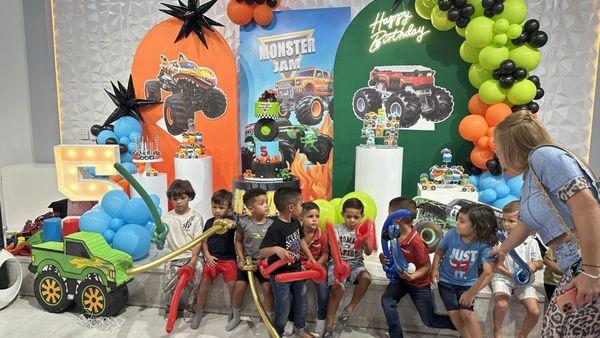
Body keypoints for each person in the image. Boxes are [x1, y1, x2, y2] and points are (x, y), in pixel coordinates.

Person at [489, 110, 600, 336]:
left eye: (498, 145)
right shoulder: (532, 172)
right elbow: (526, 223)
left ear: (511, 146)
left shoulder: (544, 157)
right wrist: (504, 249)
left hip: (587, 260)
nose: (496, 153)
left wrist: (592, 272)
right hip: (576, 261)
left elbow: (587, 206)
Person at [380, 197, 456, 338]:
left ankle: (461, 326)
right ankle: (396, 335)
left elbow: (427, 266)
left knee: (429, 320)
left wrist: (413, 276)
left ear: (398, 218)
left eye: (389, 214)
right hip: (401, 279)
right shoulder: (393, 233)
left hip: (419, 284)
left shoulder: (416, 242)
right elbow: (391, 253)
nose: (387, 217)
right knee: (387, 301)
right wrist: (383, 258)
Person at [431, 203, 497, 338]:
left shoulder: (483, 244)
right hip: (446, 282)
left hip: (467, 285)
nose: (457, 223)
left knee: (466, 313)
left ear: (477, 226)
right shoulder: (451, 235)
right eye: (457, 219)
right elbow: (440, 250)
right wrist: (434, 268)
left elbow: (488, 272)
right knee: (455, 314)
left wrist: (471, 292)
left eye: (462, 221)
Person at [259, 187, 316, 338]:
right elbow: (262, 251)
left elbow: (301, 241)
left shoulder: (296, 222)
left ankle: (300, 329)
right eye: (300, 204)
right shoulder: (275, 227)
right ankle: (277, 332)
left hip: (296, 271)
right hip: (280, 276)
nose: (302, 207)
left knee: (301, 303)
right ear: (291, 207)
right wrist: (276, 249)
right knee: (283, 308)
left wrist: (310, 257)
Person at [322, 198, 373, 338]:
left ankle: (349, 309)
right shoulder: (337, 229)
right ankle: (328, 326)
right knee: (338, 288)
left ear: (362, 216)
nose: (352, 220)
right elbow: (332, 249)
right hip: (338, 264)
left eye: (356, 217)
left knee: (366, 278)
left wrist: (365, 240)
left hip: (356, 264)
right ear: (342, 214)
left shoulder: (364, 231)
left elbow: (368, 252)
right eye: (348, 216)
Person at [491, 201, 543, 338]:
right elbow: (496, 264)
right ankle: (497, 332)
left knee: (535, 311)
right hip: (503, 278)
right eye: (504, 220)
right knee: (501, 304)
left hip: (525, 283)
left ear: (522, 221)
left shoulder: (531, 241)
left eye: (511, 221)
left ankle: (523, 335)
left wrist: (534, 265)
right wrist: (511, 275)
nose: (506, 224)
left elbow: (540, 263)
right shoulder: (498, 240)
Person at [226, 188, 274, 331]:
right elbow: (239, 242)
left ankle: (270, 317)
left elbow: (274, 246)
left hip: (264, 264)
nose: (266, 205)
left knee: (267, 288)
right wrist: (240, 259)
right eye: (262, 203)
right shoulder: (243, 223)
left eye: (266, 202)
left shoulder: (271, 224)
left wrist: (268, 261)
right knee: (239, 287)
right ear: (251, 208)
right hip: (247, 262)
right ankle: (236, 316)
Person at [190, 189, 237, 329]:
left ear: (229, 209)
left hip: (229, 260)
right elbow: (204, 240)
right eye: (214, 207)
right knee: (203, 284)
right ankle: (198, 312)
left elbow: (237, 227)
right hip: (213, 260)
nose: (217, 210)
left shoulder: (232, 222)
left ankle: (233, 312)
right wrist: (207, 255)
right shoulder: (210, 223)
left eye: (221, 208)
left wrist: (231, 221)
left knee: (232, 287)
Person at [161, 179, 204, 318]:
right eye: (175, 198)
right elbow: (160, 239)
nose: (178, 202)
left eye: (182, 198)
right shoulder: (166, 218)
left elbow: (198, 242)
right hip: (174, 257)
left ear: (189, 197)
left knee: (198, 276)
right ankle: (171, 308)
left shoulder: (196, 218)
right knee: (167, 286)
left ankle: (191, 309)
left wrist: (193, 261)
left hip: (192, 256)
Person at [300, 201, 329, 335]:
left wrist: (318, 265)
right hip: (300, 269)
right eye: (310, 216)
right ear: (301, 219)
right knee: (300, 293)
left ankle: (321, 321)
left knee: (323, 292)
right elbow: (292, 253)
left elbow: (325, 253)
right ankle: (300, 323)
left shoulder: (322, 235)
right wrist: (300, 266)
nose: (315, 219)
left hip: (317, 268)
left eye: (317, 216)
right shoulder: (296, 234)